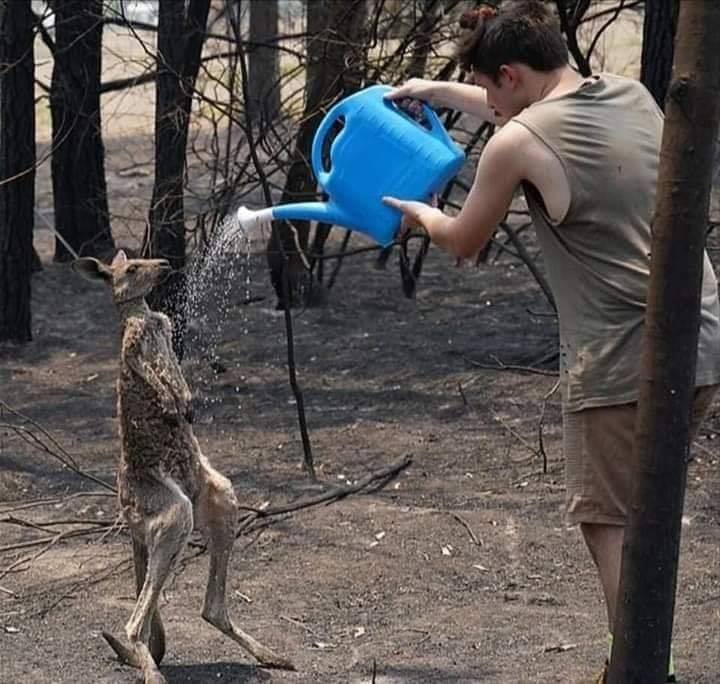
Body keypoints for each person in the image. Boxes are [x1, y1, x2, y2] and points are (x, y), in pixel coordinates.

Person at [383, 1, 720, 681]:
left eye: (486, 86)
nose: (484, 101)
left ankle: (644, 668)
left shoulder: (517, 143)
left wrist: (423, 216)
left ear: (508, 74)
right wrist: (427, 91)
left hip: (625, 360)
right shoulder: (629, 94)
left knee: (609, 520)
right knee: (646, 512)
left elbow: (465, 242)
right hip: (703, 336)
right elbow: (521, 113)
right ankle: (642, 663)